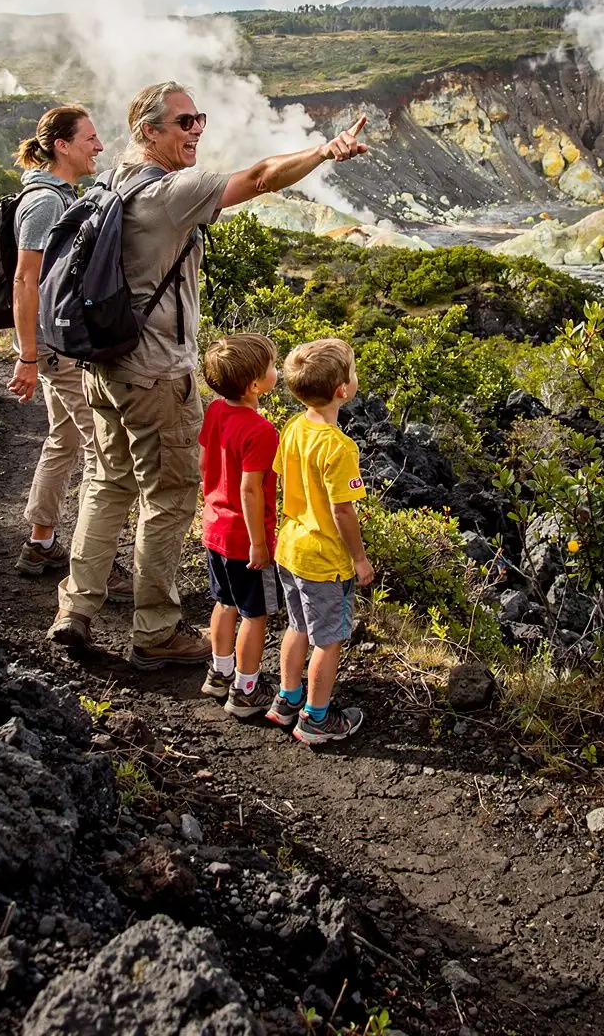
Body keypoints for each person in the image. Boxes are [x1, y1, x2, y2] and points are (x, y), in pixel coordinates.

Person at [46, 81, 367, 667]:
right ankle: (156, 632)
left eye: (201, 119)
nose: (198, 130)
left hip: (101, 366)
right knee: (167, 497)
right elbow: (263, 176)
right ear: (150, 131)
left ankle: (76, 608)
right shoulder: (173, 191)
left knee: (107, 482)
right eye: (185, 122)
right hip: (156, 376)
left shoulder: (111, 183)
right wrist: (324, 151)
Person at [8, 105, 132, 596]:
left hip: (51, 348)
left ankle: (41, 542)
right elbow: (26, 279)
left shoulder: (57, 195)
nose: (99, 146)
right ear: (62, 145)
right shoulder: (45, 203)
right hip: (56, 350)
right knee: (107, 453)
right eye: (90, 138)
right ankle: (96, 565)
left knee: (63, 440)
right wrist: (28, 355)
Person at [266, 337, 374, 745]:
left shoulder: (293, 428)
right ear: (342, 390)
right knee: (328, 641)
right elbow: (342, 511)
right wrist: (359, 559)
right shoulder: (340, 447)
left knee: (297, 626)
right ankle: (316, 719)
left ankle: (286, 699)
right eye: (352, 370)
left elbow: (283, 478)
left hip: (290, 548)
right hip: (323, 558)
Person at [198, 333, 281, 718]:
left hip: (215, 528)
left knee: (224, 602)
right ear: (254, 386)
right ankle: (246, 690)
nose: (275, 371)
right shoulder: (262, 432)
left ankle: (220, 672)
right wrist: (259, 543)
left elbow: (204, 463)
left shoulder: (215, 411)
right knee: (255, 614)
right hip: (244, 540)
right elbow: (251, 490)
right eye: (271, 367)